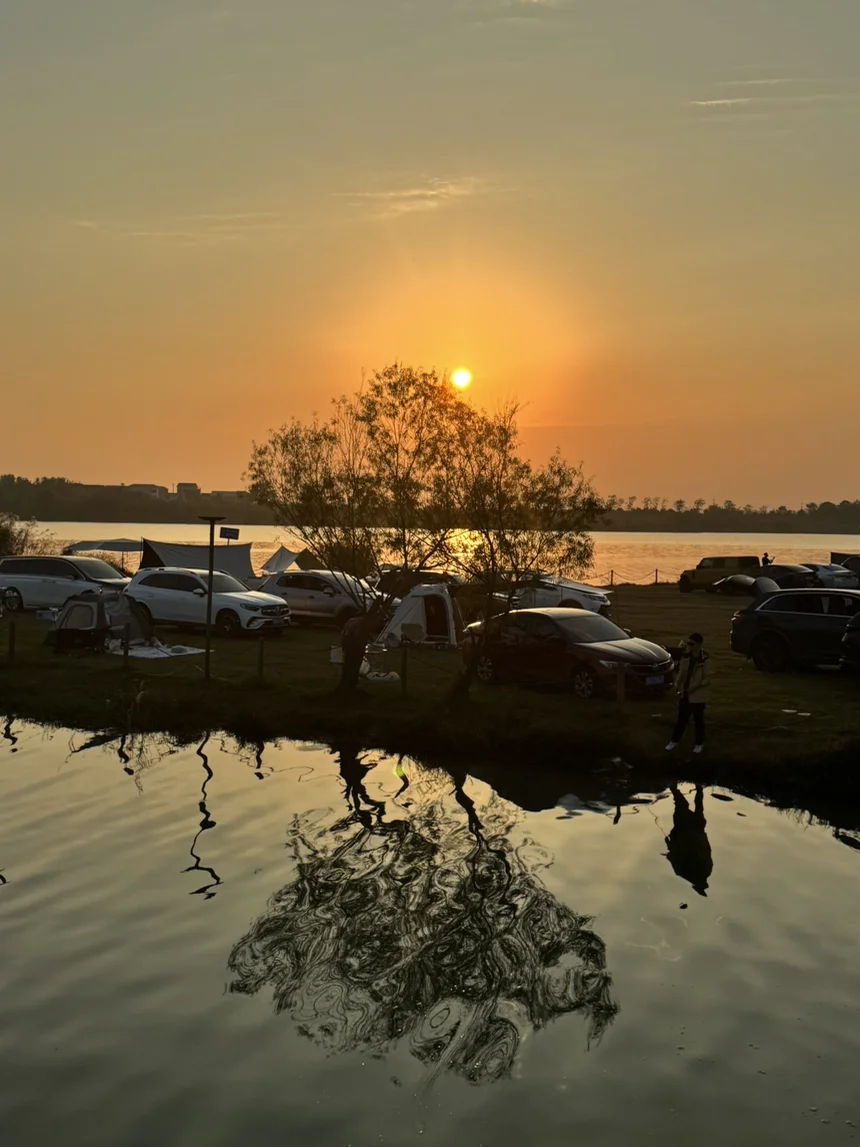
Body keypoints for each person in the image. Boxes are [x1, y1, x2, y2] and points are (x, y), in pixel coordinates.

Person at [665, 632, 712, 754]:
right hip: (685, 693)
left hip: (698, 696)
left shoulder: (705, 660)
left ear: (699, 644)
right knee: (681, 719)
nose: (689, 646)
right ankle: (674, 741)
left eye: (692, 644)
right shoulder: (686, 657)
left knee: (698, 720)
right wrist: (677, 684)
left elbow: (707, 678)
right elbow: (681, 672)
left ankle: (699, 743)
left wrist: (695, 687)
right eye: (688, 643)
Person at [664, 783, 713, 896]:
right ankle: (676, 786)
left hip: (692, 830)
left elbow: (706, 848)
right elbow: (673, 856)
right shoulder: (686, 872)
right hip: (686, 831)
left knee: (690, 806)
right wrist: (669, 844)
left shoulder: (705, 870)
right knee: (684, 804)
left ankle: (697, 787)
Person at [338, 601, 384, 693]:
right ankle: (348, 685)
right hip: (352, 647)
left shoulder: (353, 621)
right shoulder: (361, 623)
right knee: (351, 665)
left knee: (350, 665)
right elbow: (356, 635)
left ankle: (350, 683)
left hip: (348, 646)